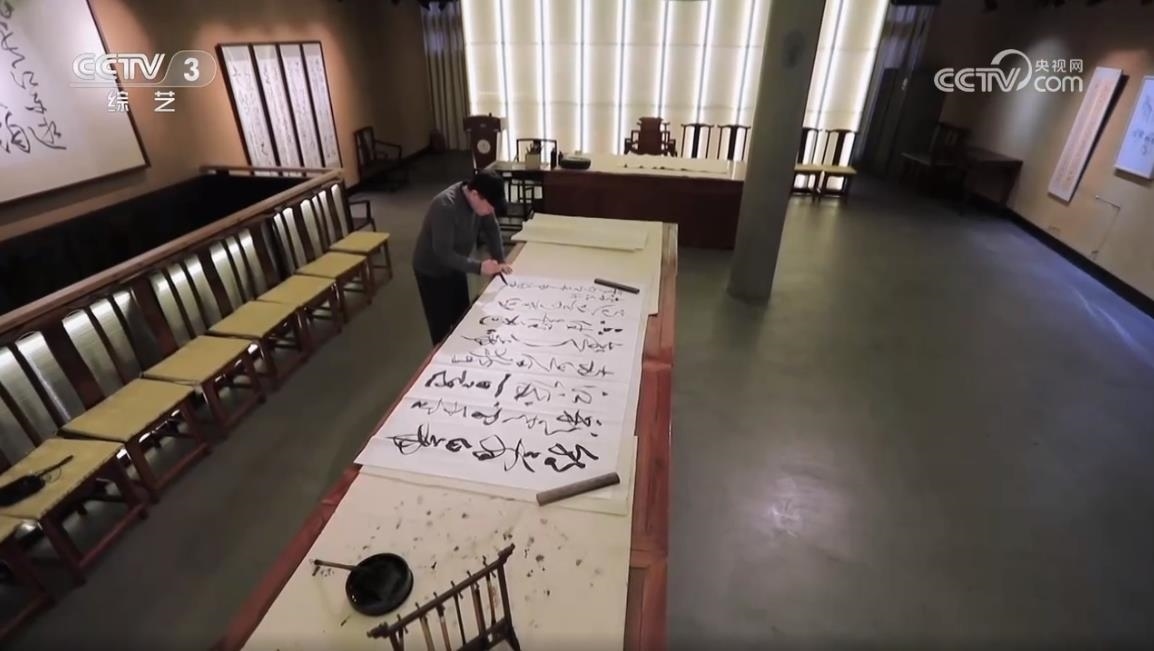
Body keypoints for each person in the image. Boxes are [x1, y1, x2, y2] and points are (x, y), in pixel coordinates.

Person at [412, 170, 513, 345]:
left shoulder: (482, 200)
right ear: (475, 194)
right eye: (489, 207)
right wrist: (479, 267)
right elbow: (443, 253)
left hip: (456, 264)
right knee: (441, 325)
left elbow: (491, 228)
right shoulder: (445, 206)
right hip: (431, 269)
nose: (490, 211)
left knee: (462, 316)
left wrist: (500, 260)